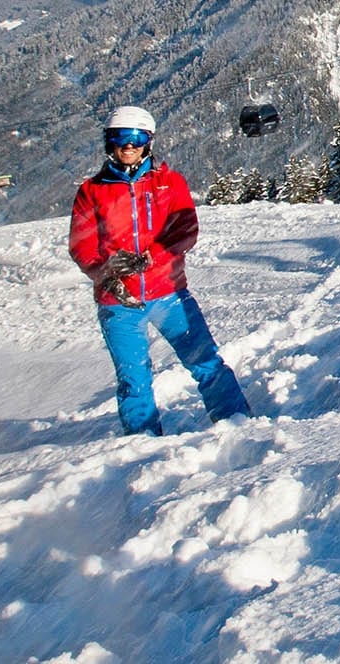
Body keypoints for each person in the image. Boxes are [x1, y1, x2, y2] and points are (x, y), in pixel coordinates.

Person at [69, 106, 252, 436]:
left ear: (148, 142)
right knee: (133, 378)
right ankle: (143, 442)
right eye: (119, 138)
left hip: (169, 293)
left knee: (205, 361)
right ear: (108, 143)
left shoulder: (168, 183)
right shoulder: (92, 191)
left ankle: (237, 425)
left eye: (135, 138)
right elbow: (81, 245)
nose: (128, 146)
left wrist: (152, 257)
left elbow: (185, 229)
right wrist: (106, 271)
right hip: (118, 301)